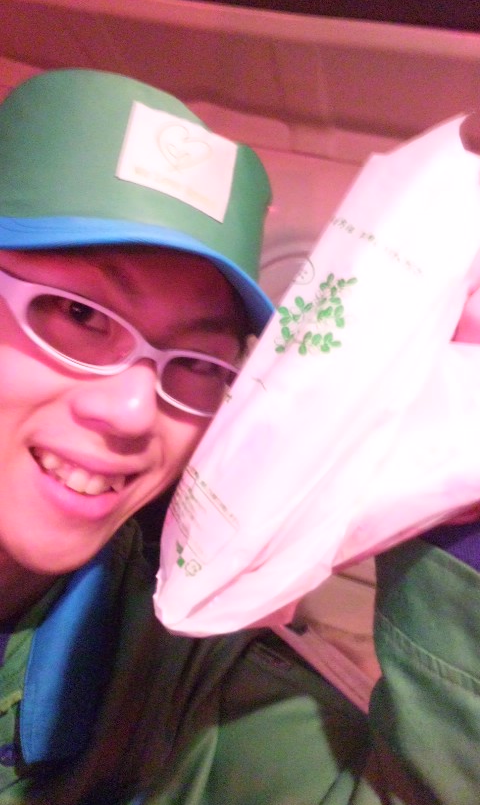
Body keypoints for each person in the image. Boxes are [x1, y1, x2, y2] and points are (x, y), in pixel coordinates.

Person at [0, 67, 478, 805]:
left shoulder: (182, 675)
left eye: (197, 363)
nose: (133, 411)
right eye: (78, 315)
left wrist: (459, 521)